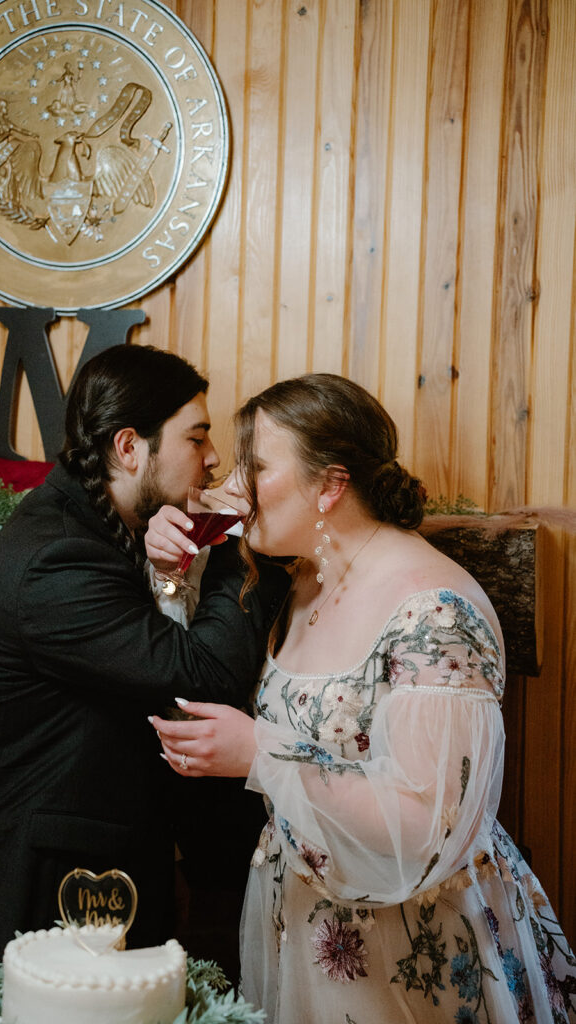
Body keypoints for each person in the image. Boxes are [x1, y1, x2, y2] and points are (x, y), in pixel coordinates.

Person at [147, 373, 576, 1023]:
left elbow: (430, 825)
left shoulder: (433, 613)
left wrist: (259, 756)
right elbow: (194, 655)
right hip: (305, 923)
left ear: (330, 484)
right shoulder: (305, 577)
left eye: (254, 468)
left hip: (407, 948)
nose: (234, 489)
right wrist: (169, 563)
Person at [0, 344, 288, 983]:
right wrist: (235, 549)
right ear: (129, 446)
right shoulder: (57, 562)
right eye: (196, 437)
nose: (212, 460)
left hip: (86, 864)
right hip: (33, 888)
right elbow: (204, 675)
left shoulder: (92, 526)